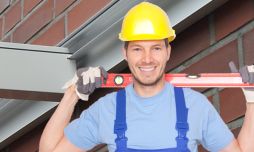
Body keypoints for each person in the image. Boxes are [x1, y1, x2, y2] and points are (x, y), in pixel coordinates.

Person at [39, 2, 254, 152]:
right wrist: (73, 93)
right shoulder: (107, 110)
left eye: (156, 49)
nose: (147, 59)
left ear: (168, 52)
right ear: (125, 53)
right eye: (138, 49)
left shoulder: (195, 106)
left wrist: (253, 100)